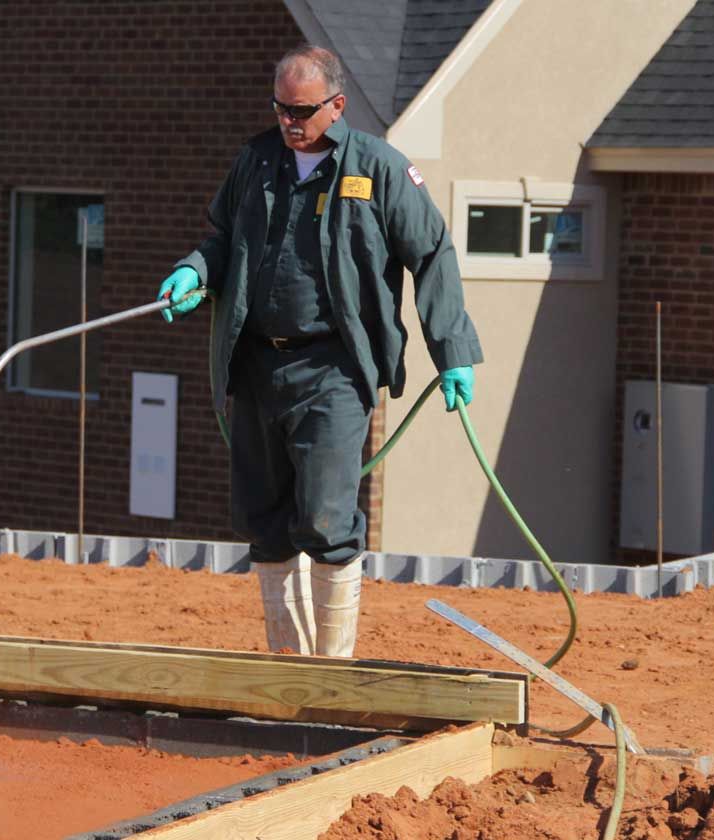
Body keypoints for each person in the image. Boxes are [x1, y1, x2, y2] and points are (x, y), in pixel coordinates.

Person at [157, 45, 483, 657]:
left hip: (334, 367)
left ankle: (332, 668)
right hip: (255, 364)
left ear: (335, 106)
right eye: (280, 107)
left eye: (301, 110)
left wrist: (453, 351)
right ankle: (289, 662)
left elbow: (433, 253)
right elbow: (222, 240)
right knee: (264, 518)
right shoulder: (254, 163)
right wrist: (194, 271)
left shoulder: (379, 168)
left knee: (328, 518)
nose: (289, 121)